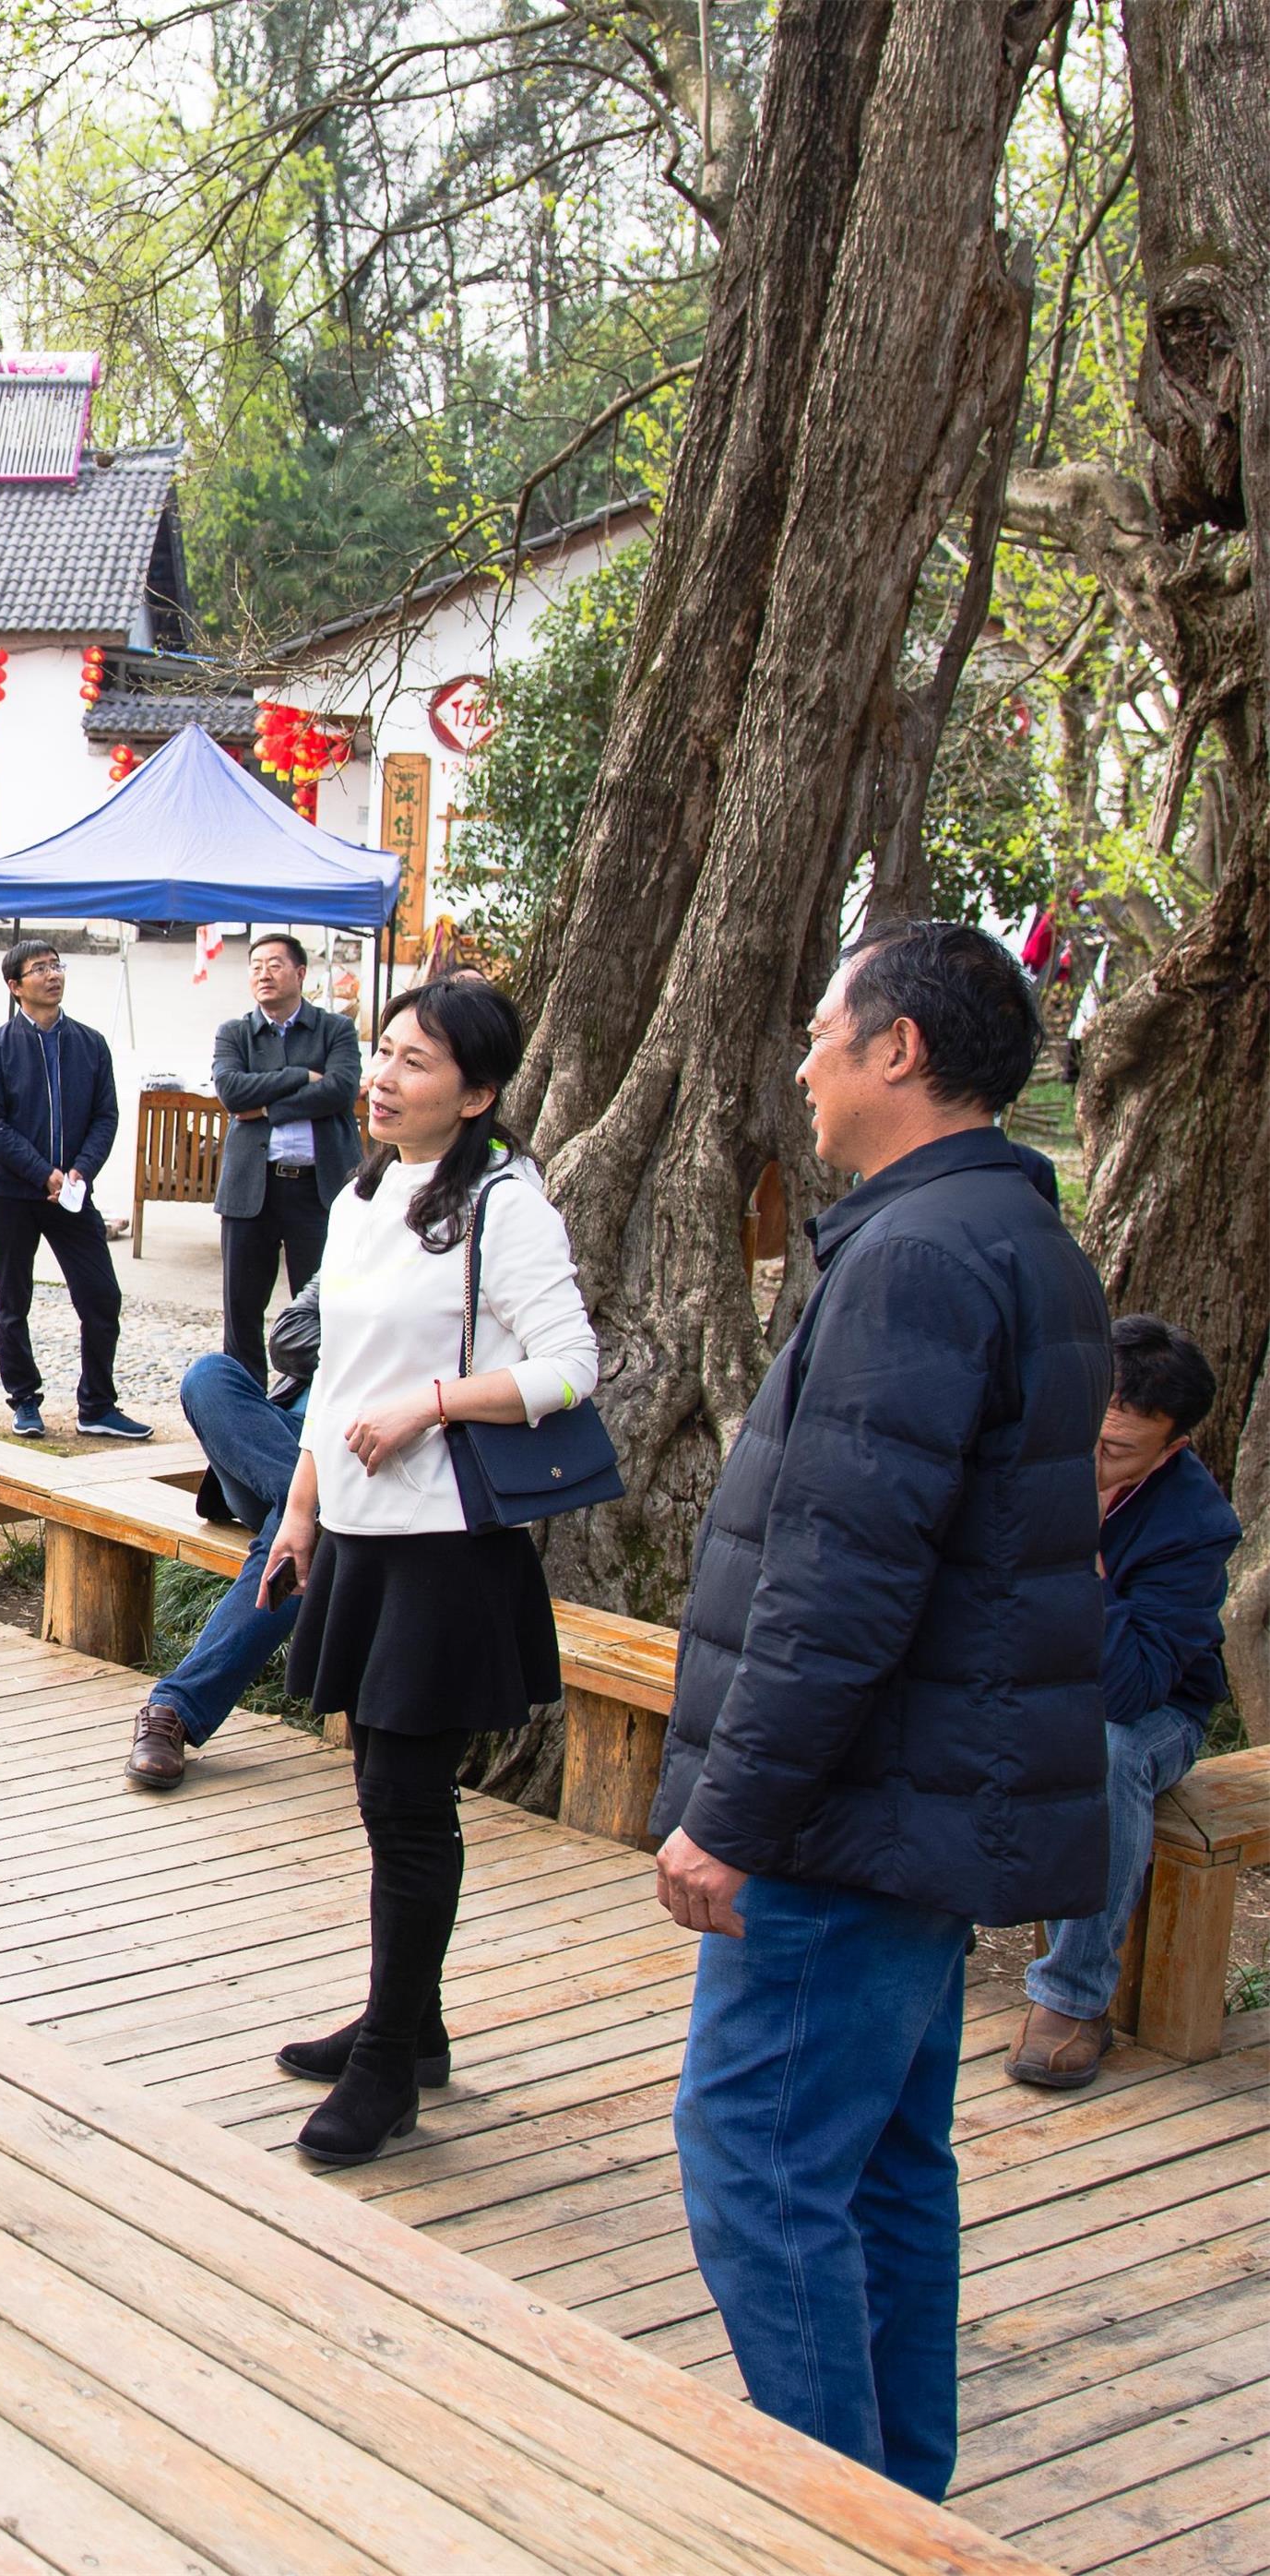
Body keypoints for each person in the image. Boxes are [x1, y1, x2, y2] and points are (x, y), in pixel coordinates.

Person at [652, 919, 1109, 2503]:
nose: (802, 1060)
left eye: (823, 1030)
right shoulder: (1011, 1232)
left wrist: (730, 1810)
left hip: (850, 1817)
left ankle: (833, 2515)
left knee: (756, 2164)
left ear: (896, 1049)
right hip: (922, 1802)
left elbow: (840, 1577)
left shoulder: (914, 1254)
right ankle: (898, 2505)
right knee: (884, 2168)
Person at [258, 977, 599, 2165]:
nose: (385, 1077)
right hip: (357, 1529)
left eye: (414, 1063)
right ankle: (414, 2021)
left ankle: (388, 2065)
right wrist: (298, 1514)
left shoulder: (507, 1203)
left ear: (480, 1093)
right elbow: (335, 1378)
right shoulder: (365, 1191)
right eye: (385, 1053)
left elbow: (570, 1364)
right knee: (383, 1790)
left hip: (449, 1544)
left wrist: (432, 1404)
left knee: (405, 1803)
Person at [1013, 1314, 1243, 2088]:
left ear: (1171, 1447)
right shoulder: (1026, 1437)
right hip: (1018, 1682)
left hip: (1153, 1714)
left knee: (1102, 1748)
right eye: (1088, 1433)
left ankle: (1073, 1997)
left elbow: (1129, 1688)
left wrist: (1077, 1549)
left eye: (1115, 1451)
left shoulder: (1193, 1525)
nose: (1089, 1457)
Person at [125, 1294, 318, 1790]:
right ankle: (311, 1506)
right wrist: (366, 1347)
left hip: (362, 1455)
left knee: (314, 1513)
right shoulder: (360, 1229)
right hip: (276, 1442)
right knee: (208, 1375)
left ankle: (175, 1708)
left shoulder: (469, 1261)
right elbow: (289, 1335)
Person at [0, 938, 147, 1440]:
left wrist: (79, 1173)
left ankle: (97, 1403)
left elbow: (105, 1116)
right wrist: (42, 1172)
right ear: (15, 986)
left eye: (56, 965)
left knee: (100, 1296)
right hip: (13, 1193)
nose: (52, 975)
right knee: (13, 1298)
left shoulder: (89, 1044)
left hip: (72, 1194)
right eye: (39, 969)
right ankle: (24, 1399)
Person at [211, 931, 362, 1371]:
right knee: (241, 1307)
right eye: (256, 966)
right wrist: (300, 1075)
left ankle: (311, 1403)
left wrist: (265, 1109)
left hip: (318, 1189)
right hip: (250, 1190)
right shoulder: (235, 1033)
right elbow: (231, 1092)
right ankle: (242, 1407)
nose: (264, 974)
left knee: (322, 1305)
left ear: (300, 973)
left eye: (274, 964)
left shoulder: (336, 1028)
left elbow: (339, 1091)